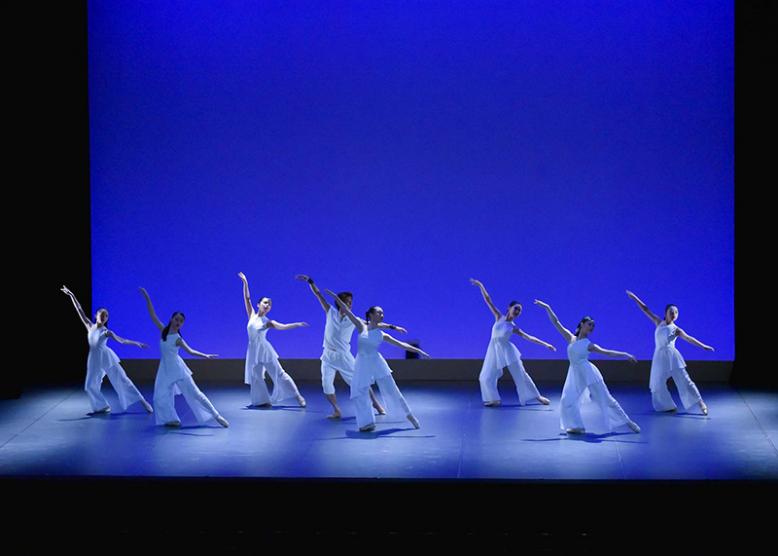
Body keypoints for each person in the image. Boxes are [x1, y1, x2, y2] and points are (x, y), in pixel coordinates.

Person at [325, 289, 429, 432]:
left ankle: (409, 415)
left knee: (391, 389)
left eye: (382, 313)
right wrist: (335, 297)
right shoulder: (361, 326)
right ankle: (366, 422)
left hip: (376, 362)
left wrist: (419, 351)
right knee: (359, 390)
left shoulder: (382, 335)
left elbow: (401, 344)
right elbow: (346, 311)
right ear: (371, 315)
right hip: (362, 363)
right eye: (379, 313)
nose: (382, 315)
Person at [534, 299, 640, 434]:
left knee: (606, 399)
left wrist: (625, 354)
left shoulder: (589, 345)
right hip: (574, 373)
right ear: (582, 324)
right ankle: (577, 426)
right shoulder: (570, 338)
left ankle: (629, 423)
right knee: (567, 400)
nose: (591, 327)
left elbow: (607, 352)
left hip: (588, 373)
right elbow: (556, 322)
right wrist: (547, 307)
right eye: (589, 324)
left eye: (593, 326)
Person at [139, 287, 229, 427]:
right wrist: (147, 298)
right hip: (165, 370)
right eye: (176, 319)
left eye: (181, 321)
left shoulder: (177, 338)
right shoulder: (163, 330)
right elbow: (153, 315)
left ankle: (217, 416)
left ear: (182, 324)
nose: (178, 322)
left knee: (196, 394)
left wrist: (205, 355)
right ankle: (171, 419)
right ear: (171, 319)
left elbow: (190, 351)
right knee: (159, 396)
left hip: (177, 369)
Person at [61, 285, 152, 415]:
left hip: (107, 358)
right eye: (102, 315)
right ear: (96, 315)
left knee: (123, 380)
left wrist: (136, 343)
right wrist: (72, 295)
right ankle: (103, 406)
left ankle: (143, 401)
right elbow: (79, 309)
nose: (104, 317)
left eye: (106, 316)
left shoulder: (107, 332)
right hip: (94, 359)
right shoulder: (89, 326)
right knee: (90, 385)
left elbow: (122, 340)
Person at [469, 279, 554, 407]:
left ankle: (537, 396)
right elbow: (488, 300)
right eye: (516, 308)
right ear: (509, 308)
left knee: (521, 374)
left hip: (508, 352)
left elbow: (529, 337)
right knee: (485, 376)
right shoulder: (499, 317)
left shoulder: (513, 327)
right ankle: (494, 399)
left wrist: (546, 344)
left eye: (519, 311)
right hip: (494, 350)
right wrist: (480, 285)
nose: (517, 311)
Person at [626, 290, 713, 415]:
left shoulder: (676, 329)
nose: (674, 314)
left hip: (672, 357)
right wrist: (634, 297)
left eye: (676, 312)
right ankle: (667, 405)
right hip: (659, 358)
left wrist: (703, 346)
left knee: (685, 380)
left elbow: (689, 338)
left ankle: (701, 403)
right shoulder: (658, 322)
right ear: (665, 313)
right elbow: (645, 309)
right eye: (671, 312)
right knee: (657, 383)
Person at [238, 272, 307, 408]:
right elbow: (247, 298)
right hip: (253, 350)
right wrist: (245, 282)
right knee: (256, 376)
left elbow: (283, 326)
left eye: (269, 304)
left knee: (280, 374)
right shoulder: (251, 315)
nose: (267, 305)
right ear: (258, 304)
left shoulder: (269, 321)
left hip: (264, 350)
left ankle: (298, 396)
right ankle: (262, 400)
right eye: (265, 302)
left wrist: (297, 324)